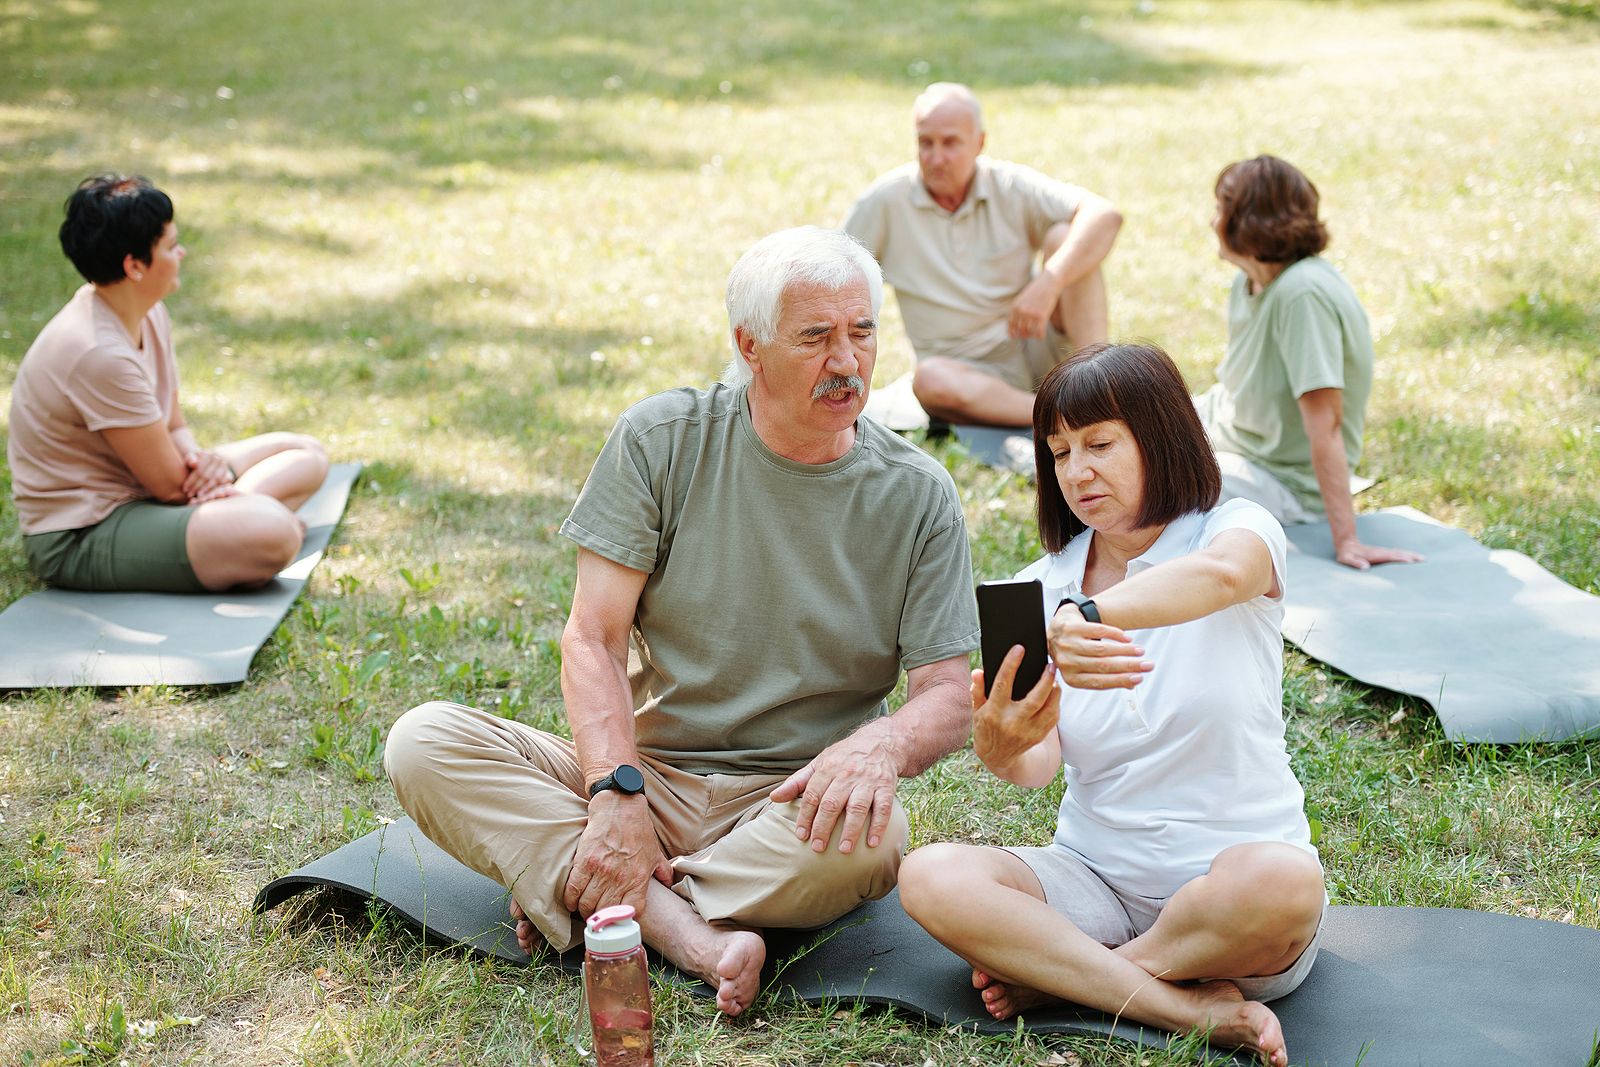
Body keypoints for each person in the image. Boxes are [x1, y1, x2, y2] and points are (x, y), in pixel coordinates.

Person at [384, 227, 979, 1017]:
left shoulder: (919, 493)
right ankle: (687, 930)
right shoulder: (664, 439)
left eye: (862, 331)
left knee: (876, 838)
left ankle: (591, 886)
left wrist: (879, 745)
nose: (847, 361)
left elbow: (947, 693)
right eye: (816, 337)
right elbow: (591, 637)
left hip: (790, 801)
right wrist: (616, 794)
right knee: (424, 740)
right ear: (750, 344)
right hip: (647, 771)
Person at [897, 342, 1326, 1067]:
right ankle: (1178, 1004)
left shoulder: (1236, 528)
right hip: (1093, 880)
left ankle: (1077, 977)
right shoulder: (1038, 588)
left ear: (1160, 439)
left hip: (1233, 897)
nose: (1076, 471)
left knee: (1287, 882)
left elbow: (1223, 577)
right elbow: (1035, 765)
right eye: (1059, 452)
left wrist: (1086, 614)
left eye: (1099, 444)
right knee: (930, 874)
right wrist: (1001, 742)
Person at [7, 174, 329, 593]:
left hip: (154, 491)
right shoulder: (96, 352)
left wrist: (201, 461)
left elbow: (174, 426)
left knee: (306, 453)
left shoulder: (147, 312)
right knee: (275, 534)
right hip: (83, 531)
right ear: (134, 265)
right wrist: (205, 482)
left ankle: (240, 512)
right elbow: (170, 487)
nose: (182, 252)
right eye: (170, 245)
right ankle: (251, 519)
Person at [843, 82, 1122, 428]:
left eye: (950, 143)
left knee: (1065, 237)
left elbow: (1105, 216)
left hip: (1036, 343)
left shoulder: (1008, 184)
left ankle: (1098, 385)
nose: (936, 157)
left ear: (980, 143)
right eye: (925, 143)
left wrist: (1050, 282)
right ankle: (1063, 417)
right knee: (928, 380)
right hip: (965, 373)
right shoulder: (885, 201)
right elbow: (835, 270)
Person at [1196, 155, 1421, 571]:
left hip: (1280, 477)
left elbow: (1326, 424)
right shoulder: (1250, 279)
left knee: (1153, 481)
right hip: (1230, 425)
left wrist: (1347, 541)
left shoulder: (1302, 296)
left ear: (1246, 221)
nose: (1212, 222)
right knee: (1129, 421)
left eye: (1220, 209)